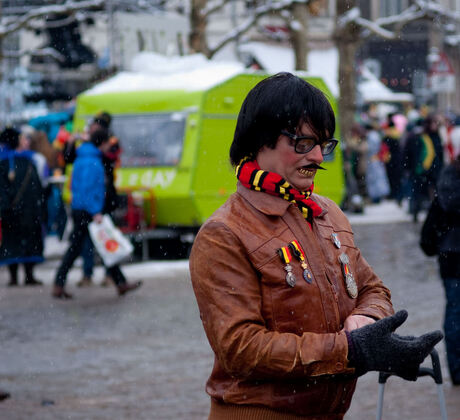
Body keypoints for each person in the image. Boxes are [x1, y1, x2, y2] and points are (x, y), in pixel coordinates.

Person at [189, 73, 443, 419]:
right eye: (304, 143)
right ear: (260, 140)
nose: (318, 157)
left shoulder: (326, 212)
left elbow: (372, 288)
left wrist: (367, 321)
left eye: (324, 144)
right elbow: (241, 349)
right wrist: (351, 350)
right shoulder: (224, 233)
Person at [52, 129, 141, 299]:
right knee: (88, 245)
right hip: (88, 211)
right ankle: (59, 283)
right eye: (108, 143)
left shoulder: (84, 156)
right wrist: (95, 212)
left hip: (81, 208)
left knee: (98, 244)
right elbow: (89, 189)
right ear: (102, 143)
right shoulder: (92, 161)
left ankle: (120, 282)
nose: (109, 147)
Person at [421, 151, 460, 385]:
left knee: (455, 312)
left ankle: (456, 369)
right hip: (452, 257)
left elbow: (430, 230)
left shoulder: (446, 184)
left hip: (450, 258)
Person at [0, 128, 45, 286]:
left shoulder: (27, 160)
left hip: (23, 211)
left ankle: (26, 275)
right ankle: (20, 276)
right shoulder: (9, 162)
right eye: (22, 138)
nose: (25, 141)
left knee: (20, 242)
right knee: (18, 242)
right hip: (19, 211)